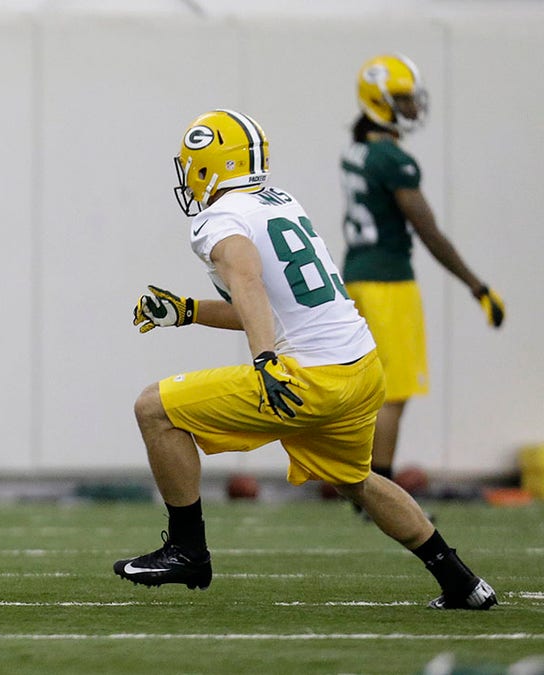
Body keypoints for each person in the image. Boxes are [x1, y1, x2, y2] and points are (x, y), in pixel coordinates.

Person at [112, 108, 496, 610]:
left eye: (191, 164)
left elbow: (247, 282)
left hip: (308, 377)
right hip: (360, 368)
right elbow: (266, 310)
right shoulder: (279, 202)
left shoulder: (219, 217)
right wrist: (186, 312)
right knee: (355, 480)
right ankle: (462, 582)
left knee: (154, 409)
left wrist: (265, 360)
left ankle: (187, 549)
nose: (187, 176)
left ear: (209, 166)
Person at [341, 53, 505, 488]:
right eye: (402, 98)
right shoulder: (393, 159)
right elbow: (429, 233)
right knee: (392, 393)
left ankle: (362, 485)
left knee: (365, 389)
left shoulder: (357, 151)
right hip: (388, 283)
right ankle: (382, 494)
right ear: (378, 100)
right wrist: (477, 286)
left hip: (357, 273)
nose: (412, 106)